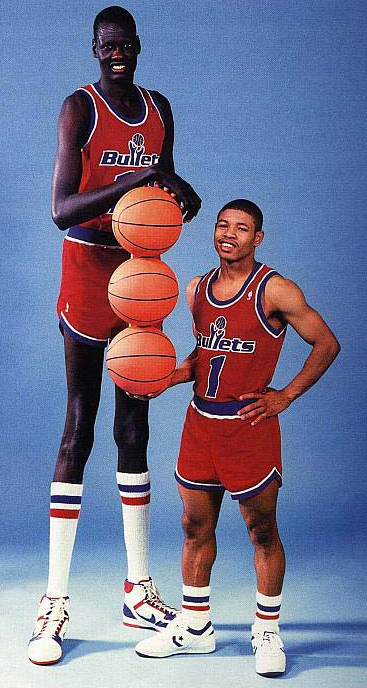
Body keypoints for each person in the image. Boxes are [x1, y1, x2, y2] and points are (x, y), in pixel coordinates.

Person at [28, 6, 201, 666]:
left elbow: (163, 191)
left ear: (138, 45)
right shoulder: (80, 107)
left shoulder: (159, 108)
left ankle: (138, 589)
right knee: (80, 425)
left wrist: (176, 199)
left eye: (125, 44)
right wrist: (134, 180)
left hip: (139, 273)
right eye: (106, 46)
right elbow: (61, 209)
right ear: (94, 49)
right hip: (86, 267)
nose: (116, 53)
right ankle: (54, 601)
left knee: (136, 428)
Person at [134, 199, 340, 676]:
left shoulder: (276, 289)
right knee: (194, 527)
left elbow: (327, 342)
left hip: (248, 428)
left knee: (261, 530)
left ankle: (267, 630)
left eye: (241, 228)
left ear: (257, 238)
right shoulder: (197, 289)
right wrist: (168, 376)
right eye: (222, 225)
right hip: (200, 425)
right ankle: (195, 626)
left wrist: (285, 395)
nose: (229, 234)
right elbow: (206, 354)